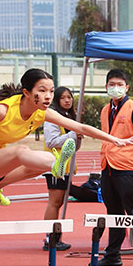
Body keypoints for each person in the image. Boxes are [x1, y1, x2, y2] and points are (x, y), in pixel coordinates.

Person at [0, 68, 133, 207]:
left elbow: (80, 127)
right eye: (42, 91)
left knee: (37, 165)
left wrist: (115, 139)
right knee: (21, 151)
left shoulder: (42, 113)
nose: (48, 96)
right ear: (26, 92)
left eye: (51, 91)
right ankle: (56, 165)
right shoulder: (1, 111)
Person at [97, 68, 133, 266]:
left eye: (119, 85)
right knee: (113, 211)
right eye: (112, 85)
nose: (115, 88)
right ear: (106, 87)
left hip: (130, 168)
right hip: (108, 166)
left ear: (127, 87)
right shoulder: (105, 110)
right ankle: (113, 253)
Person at [42, 86, 81, 251]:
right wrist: (72, 134)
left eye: (70, 97)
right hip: (54, 164)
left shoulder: (69, 117)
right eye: (63, 97)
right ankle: (50, 237)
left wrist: (76, 136)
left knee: (59, 202)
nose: (67, 100)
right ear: (57, 100)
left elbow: (74, 146)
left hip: (65, 167)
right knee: (55, 201)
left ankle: (55, 237)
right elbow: (51, 141)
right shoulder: (53, 117)